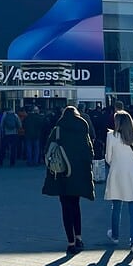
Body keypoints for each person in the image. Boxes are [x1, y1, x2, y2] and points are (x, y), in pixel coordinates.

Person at [42, 106, 95, 256]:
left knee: (65, 208)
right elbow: (89, 151)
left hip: (62, 173)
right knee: (76, 205)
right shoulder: (83, 128)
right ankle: (79, 238)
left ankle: (70, 243)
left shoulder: (58, 129)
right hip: (78, 173)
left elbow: (47, 149)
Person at [104, 110, 133, 254]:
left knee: (116, 206)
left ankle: (115, 235)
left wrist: (116, 163)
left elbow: (108, 157)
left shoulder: (111, 136)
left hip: (117, 173)